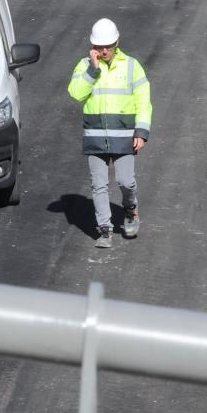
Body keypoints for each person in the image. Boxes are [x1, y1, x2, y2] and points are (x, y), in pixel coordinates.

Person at [67, 18, 153, 248]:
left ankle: (130, 209)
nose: (104, 51)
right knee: (99, 184)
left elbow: (144, 102)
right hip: (95, 136)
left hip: (124, 136)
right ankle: (105, 229)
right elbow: (75, 94)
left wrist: (141, 132)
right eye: (99, 46)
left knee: (125, 181)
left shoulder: (132, 66)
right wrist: (92, 72)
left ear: (117, 42)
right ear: (93, 46)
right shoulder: (84, 66)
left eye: (108, 46)